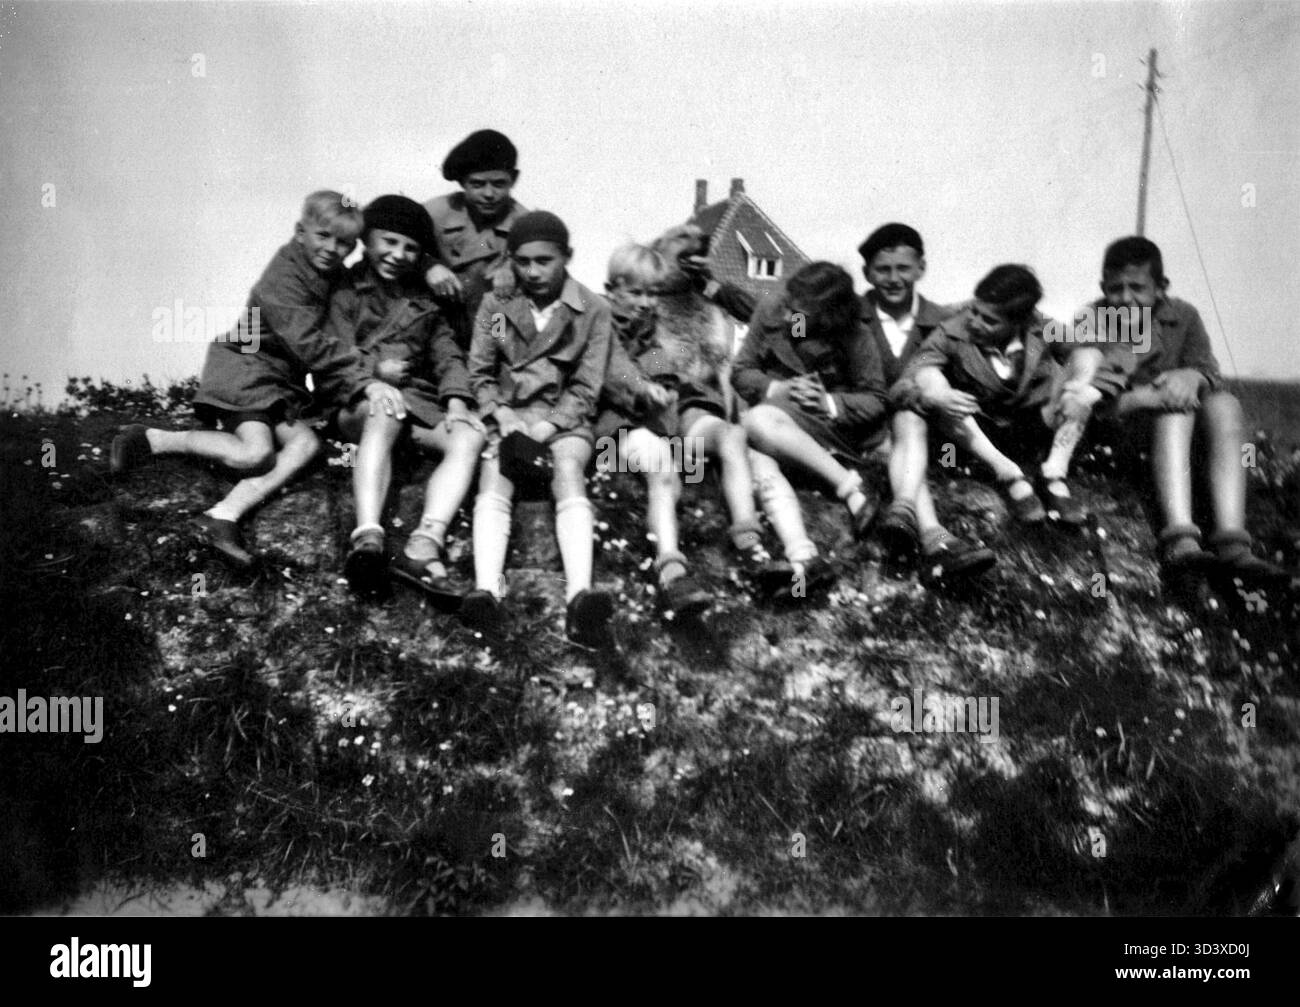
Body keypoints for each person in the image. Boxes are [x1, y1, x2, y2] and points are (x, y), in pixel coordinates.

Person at [110, 190, 397, 568]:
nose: (332, 248)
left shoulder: (336, 277)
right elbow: (309, 345)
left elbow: (368, 283)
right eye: (322, 235)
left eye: (344, 243)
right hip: (245, 366)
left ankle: (223, 515)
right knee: (255, 452)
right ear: (300, 231)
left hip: (280, 384)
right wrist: (367, 381)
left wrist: (429, 266)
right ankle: (152, 438)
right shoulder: (284, 276)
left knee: (305, 446)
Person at [1087, 236, 1294, 587]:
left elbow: (1209, 370)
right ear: (1103, 287)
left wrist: (1192, 374)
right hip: (1121, 435)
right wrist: (1147, 397)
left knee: (1225, 403)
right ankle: (1180, 538)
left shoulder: (1183, 316)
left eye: (1137, 287)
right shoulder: (1095, 320)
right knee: (1175, 407)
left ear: (1160, 288)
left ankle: (1233, 543)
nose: (1125, 299)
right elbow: (1091, 402)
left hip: (1180, 442)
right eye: (1115, 288)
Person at [650, 224, 836, 598]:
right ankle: (750, 547)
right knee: (735, 442)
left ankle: (802, 559)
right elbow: (651, 368)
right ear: (658, 254)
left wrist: (713, 285)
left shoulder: (711, 300)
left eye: (698, 241)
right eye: (680, 241)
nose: (696, 243)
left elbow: (764, 319)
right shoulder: (648, 307)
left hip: (719, 422)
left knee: (762, 465)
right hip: (681, 418)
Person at [462, 210, 615, 645]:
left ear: (567, 257)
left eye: (544, 261)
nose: (533, 272)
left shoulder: (592, 310)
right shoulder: (497, 307)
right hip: (509, 417)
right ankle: (487, 592)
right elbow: (481, 371)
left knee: (568, 470)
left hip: (562, 423)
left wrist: (546, 428)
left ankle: (580, 596)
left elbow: (586, 387)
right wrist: (503, 415)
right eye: (523, 261)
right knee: (496, 472)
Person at [322, 195, 486, 598]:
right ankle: (368, 537)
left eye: (411, 248)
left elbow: (447, 353)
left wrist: (456, 402)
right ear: (367, 240)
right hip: (354, 401)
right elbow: (331, 351)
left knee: (468, 435)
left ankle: (425, 540)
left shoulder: (425, 299)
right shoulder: (344, 289)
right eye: (389, 242)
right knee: (385, 411)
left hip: (415, 402)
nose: (398, 255)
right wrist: (373, 375)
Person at [891, 264, 1104, 527]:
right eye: (976, 312)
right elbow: (905, 380)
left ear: (1019, 322)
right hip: (978, 434)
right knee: (928, 377)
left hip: (1032, 428)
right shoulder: (950, 331)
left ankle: (1053, 475)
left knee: (1084, 375)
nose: (976, 322)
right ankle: (1009, 475)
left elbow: (1087, 350)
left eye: (989, 320)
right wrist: (935, 397)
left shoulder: (1041, 326)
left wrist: (1079, 386)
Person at [595, 243, 713, 615]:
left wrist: (662, 386)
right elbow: (614, 372)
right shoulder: (598, 325)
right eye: (635, 292)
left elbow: (662, 373)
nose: (646, 302)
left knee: (676, 467)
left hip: (639, 429)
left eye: (652, 293)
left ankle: (675, 563)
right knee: (664, 463)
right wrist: (643, 389)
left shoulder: (648, 334)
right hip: (606, 432)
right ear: (611, 290)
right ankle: (670, 568)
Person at [423, 129, 527, 347]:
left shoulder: (526, 225)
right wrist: (428, 265)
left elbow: (548, 273)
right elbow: (386, 244)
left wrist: (515, 269)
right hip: (436, 332)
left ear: (514, 180)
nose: (489, 194)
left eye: (499, 183)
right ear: (462, 183)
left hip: (496, 330)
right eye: (477, 184)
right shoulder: (436, 212)